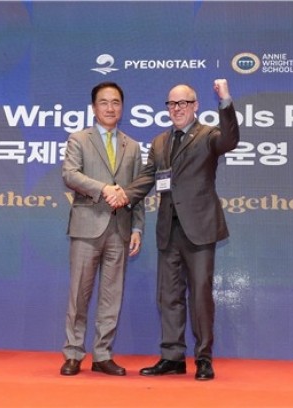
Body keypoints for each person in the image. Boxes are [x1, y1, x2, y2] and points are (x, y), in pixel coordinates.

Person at [107, 79, 240, 381]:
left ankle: (203, 358)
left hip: (200, 229)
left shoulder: (208, 135)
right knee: (168, 296)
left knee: (200, 297)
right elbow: (147, 178)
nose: (177, 108)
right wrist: (124, 195)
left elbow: (230, 140)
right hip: (169, 230)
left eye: (183, 103)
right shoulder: (159, 142)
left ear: (195, 106)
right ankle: (172, 357)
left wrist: (225, 100)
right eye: (172, 104)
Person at [60, 81, 144, 377]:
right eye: (104, 102)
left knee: (112, 296)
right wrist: (104, 188)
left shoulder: (132, 146)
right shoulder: (79, 139)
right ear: (94, 108)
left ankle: (103, 355)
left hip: (120, 229)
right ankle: (73, 353)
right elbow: (70, 174)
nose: (110, 108)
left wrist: (138, 228)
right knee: (79, 295)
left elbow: (137, 191)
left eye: (116, 102)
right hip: (87, 227)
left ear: (122, 107)